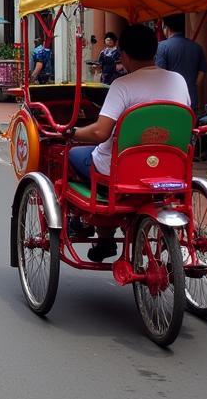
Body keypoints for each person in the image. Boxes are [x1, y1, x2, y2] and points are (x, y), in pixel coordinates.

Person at [68, 24, 189, 262]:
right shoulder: (178, 80)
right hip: (168, 165)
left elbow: (101, 132)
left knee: (73, 156)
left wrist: (74, 132)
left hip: (122, 168)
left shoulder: (122, 85)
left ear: (124, 55)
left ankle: (101, 232)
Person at [156, 14, 207, 112]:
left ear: (165, 27)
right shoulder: (196, 47)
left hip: (170, 101)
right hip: (191, 99)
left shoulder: (162, 47)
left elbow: (160, 73)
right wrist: (193, 86)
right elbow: (201, 74)